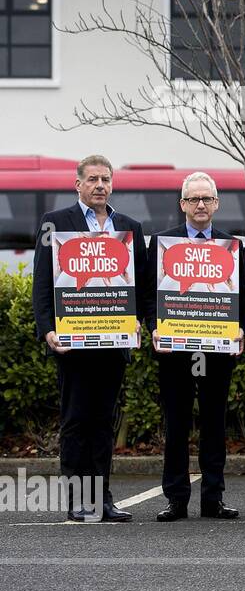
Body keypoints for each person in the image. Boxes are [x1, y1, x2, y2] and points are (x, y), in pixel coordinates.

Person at [32, 154, 149, 522]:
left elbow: (142, 284)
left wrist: (141, 321)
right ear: (78, 184)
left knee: (103, 423)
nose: (100, 185)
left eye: (106, 179)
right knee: (76, 422)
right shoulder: (55, 223)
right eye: (93, 179)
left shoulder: (129, 227)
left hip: (113, 345)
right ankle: (77, 501)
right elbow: (42, 282)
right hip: (73, 345)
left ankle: (102, 499)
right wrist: (47, 328)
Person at [149, 171, 244, 522]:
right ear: (183, 205)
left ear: (216, 204)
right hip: (175, 352)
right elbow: (148, 293)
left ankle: (212, 499)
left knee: (214, 425)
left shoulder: (232, 246)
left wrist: (242, 329)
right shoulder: (162, 243)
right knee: (176, 425)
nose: (200, 205)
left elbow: (243, 297)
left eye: (206, 199)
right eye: (193, 199)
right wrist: (154, 327)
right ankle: (176, 499)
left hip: (217, 351)